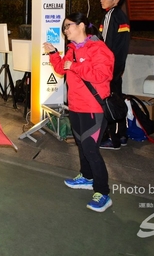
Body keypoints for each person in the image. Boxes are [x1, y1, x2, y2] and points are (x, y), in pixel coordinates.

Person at [43, 12, 114, 213]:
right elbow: (61, 69)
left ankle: (103, 192)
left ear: (81, 25)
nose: (65, 30)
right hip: (75, 106)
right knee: (82, 145)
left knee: (91, 149)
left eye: (68, 26)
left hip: (93, 108)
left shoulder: (98, 48)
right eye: (64, 27)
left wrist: (74, 66)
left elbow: (103, 75)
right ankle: (86, 177)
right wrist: (53, 53)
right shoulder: (72, 49)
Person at [98, 0, 131, 150]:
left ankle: (113, 138)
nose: (101, 0)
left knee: (109, 102)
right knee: (116, 98)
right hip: (118, 65)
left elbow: (105, 45)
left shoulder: (111, 15)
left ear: (116, 0)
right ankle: (122, 135)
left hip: (109, 67)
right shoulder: (122, 16)